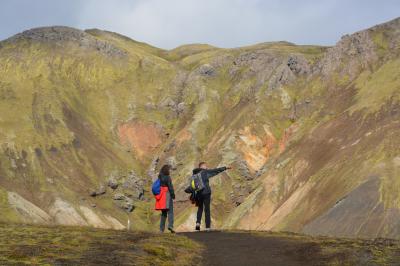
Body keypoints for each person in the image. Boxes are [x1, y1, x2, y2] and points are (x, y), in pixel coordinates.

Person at [192, 162, 231, 231]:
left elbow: (192, 185)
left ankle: (198, 223)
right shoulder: (205, 172)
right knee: (207, 209)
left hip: (199, 193)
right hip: (206, 192)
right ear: (202, 166)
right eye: (206, 166)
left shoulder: (194, 174)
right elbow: (215, 170)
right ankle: (207, 227)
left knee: (200, 208)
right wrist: (225, 168)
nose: (207, 167)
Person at [155, 164, 175, 233]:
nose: (170, 171)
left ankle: (161, 229)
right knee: (170, 211)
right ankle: (170, 225)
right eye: (169, 169)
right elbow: (170, 187)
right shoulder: (167, 177)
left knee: (163, 213)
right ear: (167, 170)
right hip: (167, 195)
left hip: (161, 196)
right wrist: (173, 195)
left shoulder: (159, 177)